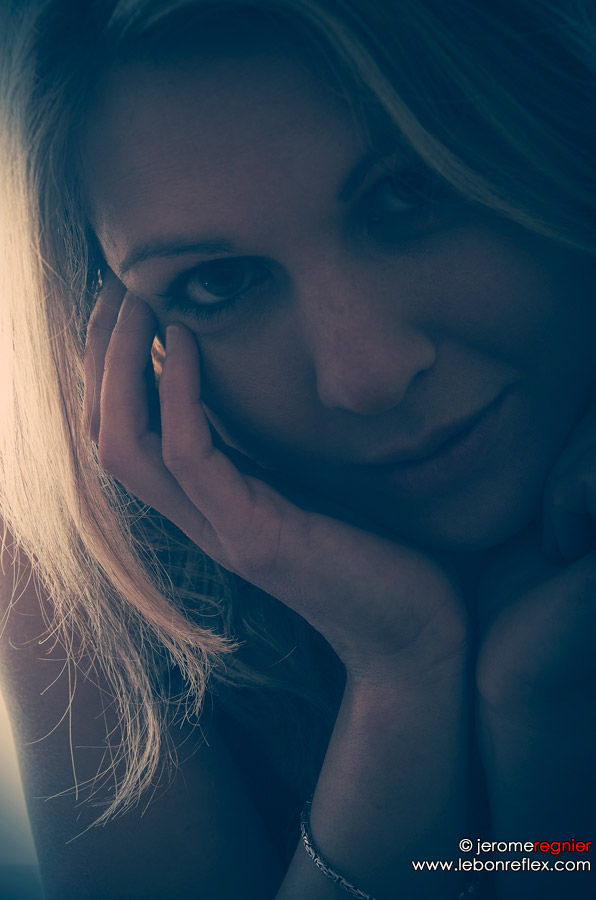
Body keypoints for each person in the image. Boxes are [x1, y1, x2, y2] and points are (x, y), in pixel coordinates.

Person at [0, 1, 595, 897]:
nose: (367, 375)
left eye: (411, 192)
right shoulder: (79, 573)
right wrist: (406, 677)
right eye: (219, 282)